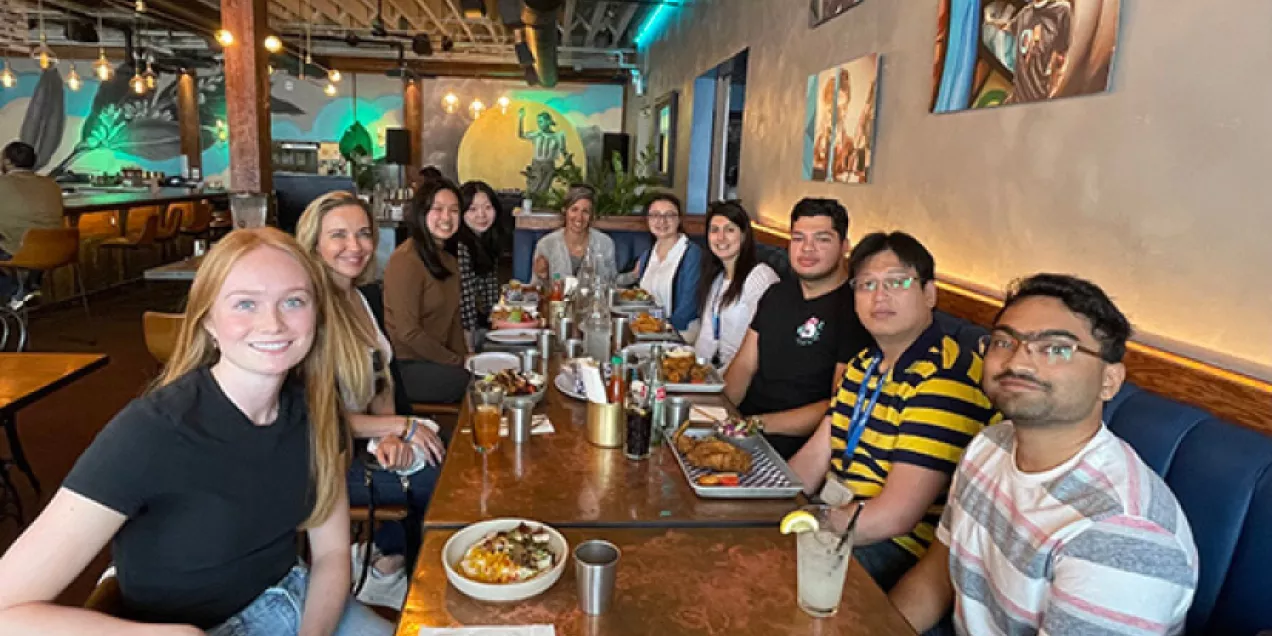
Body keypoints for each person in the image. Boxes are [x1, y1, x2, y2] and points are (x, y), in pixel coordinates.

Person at [0, 227, 392, 635]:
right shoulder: (150, 433)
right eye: (245, 304)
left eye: (293, 301)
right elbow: (6, 611)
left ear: (317, 315)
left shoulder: (316, 408)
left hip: (298, 597)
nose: (272, 323)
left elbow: (330, 554)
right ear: (208, 322)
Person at [889, 274, 1199, 636]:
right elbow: (938, 573)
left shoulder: (1124, 535)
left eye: (1056, 348)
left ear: (1109, 381)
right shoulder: (989, 445)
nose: (1019, 361)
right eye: (1005, 341)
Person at [788, 232, 997, 591]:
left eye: (897, 282)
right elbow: (813, 458)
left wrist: (811, 526)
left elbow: (896, 517)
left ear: (929, 294)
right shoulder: (864, 364)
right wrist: (764, 504)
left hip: (892, 548)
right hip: (836, 516)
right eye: (867, 284)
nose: (879, 296)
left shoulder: (946, 377)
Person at [295, 191, 447, 607]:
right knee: (436, 476)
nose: (355, 246)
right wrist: (398, 426)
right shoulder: (310, 310)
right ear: (314, 244)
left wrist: (388, 438)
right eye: (339, 235)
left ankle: (387, 556)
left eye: (363, 234)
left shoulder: (361, 297)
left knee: (440, 451)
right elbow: (318, 417)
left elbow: (381, 381)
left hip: (361, 441)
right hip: (321, 459)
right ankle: (388, 566)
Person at [722, 198, 873, 459]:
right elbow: (745, 366)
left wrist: (757, 424)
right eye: (799, 238)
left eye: (822, 239)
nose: (807, 249)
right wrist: (721, 414)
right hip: (747, 431)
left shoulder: (856, 310)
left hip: (796, 447)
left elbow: (838, 405)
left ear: (844, 247)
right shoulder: (776, 294)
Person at [384, 179, 472, 404]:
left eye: (454, 210)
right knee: (478, 384)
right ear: (422, 213)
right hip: (406, 366)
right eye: (438, 209)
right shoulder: (405, 260)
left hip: (436, 361)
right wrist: (455, 361)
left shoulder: (449, 260)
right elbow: (408, 333)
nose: (447, 217)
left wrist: (465, 357)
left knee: (488, 375)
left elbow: (453, 320)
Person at [693, 200, 779, 370]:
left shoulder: (760, 277)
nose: (721, 237)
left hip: (744, 378)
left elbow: (763, 346)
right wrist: (693, 372)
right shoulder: (717, 279)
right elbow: (707, 338)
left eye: (730, 230)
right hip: (716, 374)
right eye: (714, 230)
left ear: (744, 235)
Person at [625, 193, 702, 335]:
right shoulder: (647, 255)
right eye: (655, 215)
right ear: (647, 220)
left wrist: (660, 330)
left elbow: (688, 307)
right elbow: (640, 298)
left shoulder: (692, 254)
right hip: (647, 330)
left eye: (670, 215)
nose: (662, 221)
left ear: (679, 219)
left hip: (680, 333)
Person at [0, 141, 63, 307]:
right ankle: (28, 286)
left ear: (6, 162)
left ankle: (14, 292)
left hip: (19, 251)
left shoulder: (3, 184)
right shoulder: (52, 185)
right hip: (56, 250)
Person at [531, 184, 617, 285]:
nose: (579, 217)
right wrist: (542, 276)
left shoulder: (605, 244)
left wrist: (633, 275)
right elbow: (535, 292)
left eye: (585, 211)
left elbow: (613, 283)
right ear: (565, 211)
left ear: (592, 215)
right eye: (574, 210)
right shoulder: (546, 245)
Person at [457, 181, 503, 348]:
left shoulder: (487, 241)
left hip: (479, 326)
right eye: (472, 209)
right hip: (457, 335)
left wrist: (498, 329)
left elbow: (491, 296)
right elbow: (465, 305)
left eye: (488, 208)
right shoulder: (460, 247)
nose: (481, 215)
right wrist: (470, 353)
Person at [518, 109, 567, 194]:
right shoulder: (537, 134)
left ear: (548, 122)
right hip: (537, 165)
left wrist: (567, 165)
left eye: (541, 121)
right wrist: (521, 118)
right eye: (538, 122)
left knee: (543, 191)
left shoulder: (558, 136)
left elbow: (563, 151)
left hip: (549, 165)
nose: (539, 124)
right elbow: (521, 135)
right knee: (532, 190)